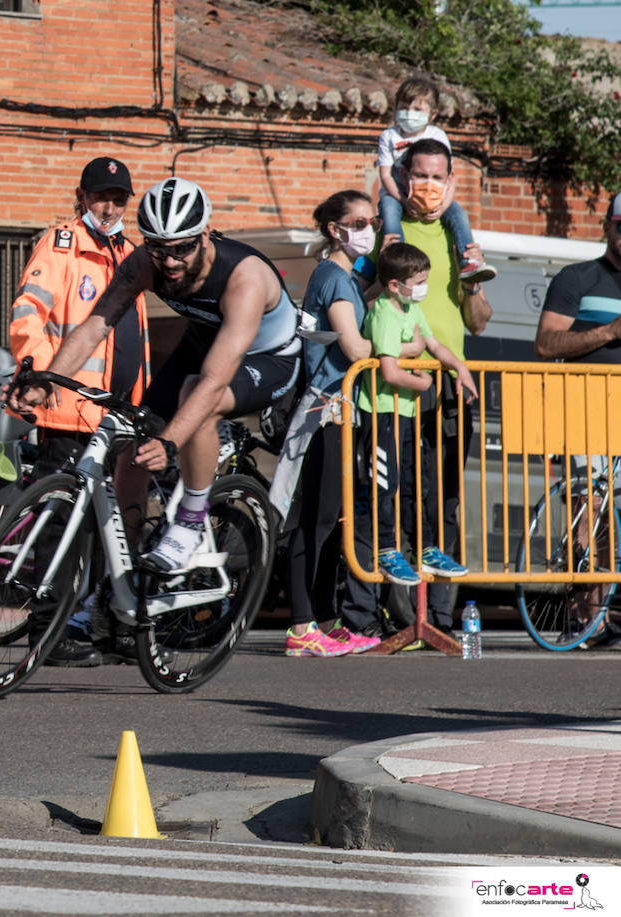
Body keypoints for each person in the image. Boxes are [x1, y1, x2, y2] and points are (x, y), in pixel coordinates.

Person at [10, 177, 301, 582]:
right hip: (202, 345)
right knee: (131, 450)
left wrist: (170, 442)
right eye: (158, 249)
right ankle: (119, 581)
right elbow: (95, 326)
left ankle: (191, 519)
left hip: (267, 359)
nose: (170, 262)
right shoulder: (144, 263)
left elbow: (214, 382)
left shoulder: (243, 277)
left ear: (203, 234)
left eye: (182, 248)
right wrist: (46, 382)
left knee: (195, 395)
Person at [8, 156, 150, 667]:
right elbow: (30, 310)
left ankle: (101, 622)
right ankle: (49, 630)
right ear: (82, 196)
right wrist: (39, 377)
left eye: (118, 198)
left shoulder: (130, 253)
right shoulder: (63, 244)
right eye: (100, 196)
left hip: (117, 414)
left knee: (106, 526)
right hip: (69, 409)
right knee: (59, 523)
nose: (109, 206)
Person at [278, 191, 397, 657]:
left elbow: (350, 316)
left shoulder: (341, 279)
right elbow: (355, 348)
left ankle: (324, 621)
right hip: (325, 410)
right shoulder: (332, 276)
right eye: (359, 221)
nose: (368, 228)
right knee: (316, 520)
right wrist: (396, 349)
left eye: (371, 220)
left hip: (341, 412)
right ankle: (302, 625)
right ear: (334, 229)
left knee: (333, 519)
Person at [355, 242, 478, 594]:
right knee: (386, 484)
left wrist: (459, 369)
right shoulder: (383, 313)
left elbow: (435, 345)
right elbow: (390, 370)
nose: (423, 287)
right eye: (419, 281)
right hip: (381, 412)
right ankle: (386, 549)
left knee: (415, 482)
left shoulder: (412, 309)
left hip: (405, 412)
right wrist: (423, 382)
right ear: (395, 284)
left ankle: (424, 548)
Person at [531, 189, 621, 645]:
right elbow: (546, 343)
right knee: (591, 509)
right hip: (586, 408)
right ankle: (589, 615)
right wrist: (609, 332)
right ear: (608, 226)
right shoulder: (578, 278)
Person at [375, 76, 497, 285]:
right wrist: (404, 200)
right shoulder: (389, 136)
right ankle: (397, 259)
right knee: (388, 209)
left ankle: (468, 261)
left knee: (458, 213)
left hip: (434, 195)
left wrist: (442, 206)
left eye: (418, 109)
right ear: (395, 108)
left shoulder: (437, 135)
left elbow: (448, 177)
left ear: (432, 114)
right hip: (398, 193)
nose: (410, 113)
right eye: (405, 107)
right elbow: (385, 174)